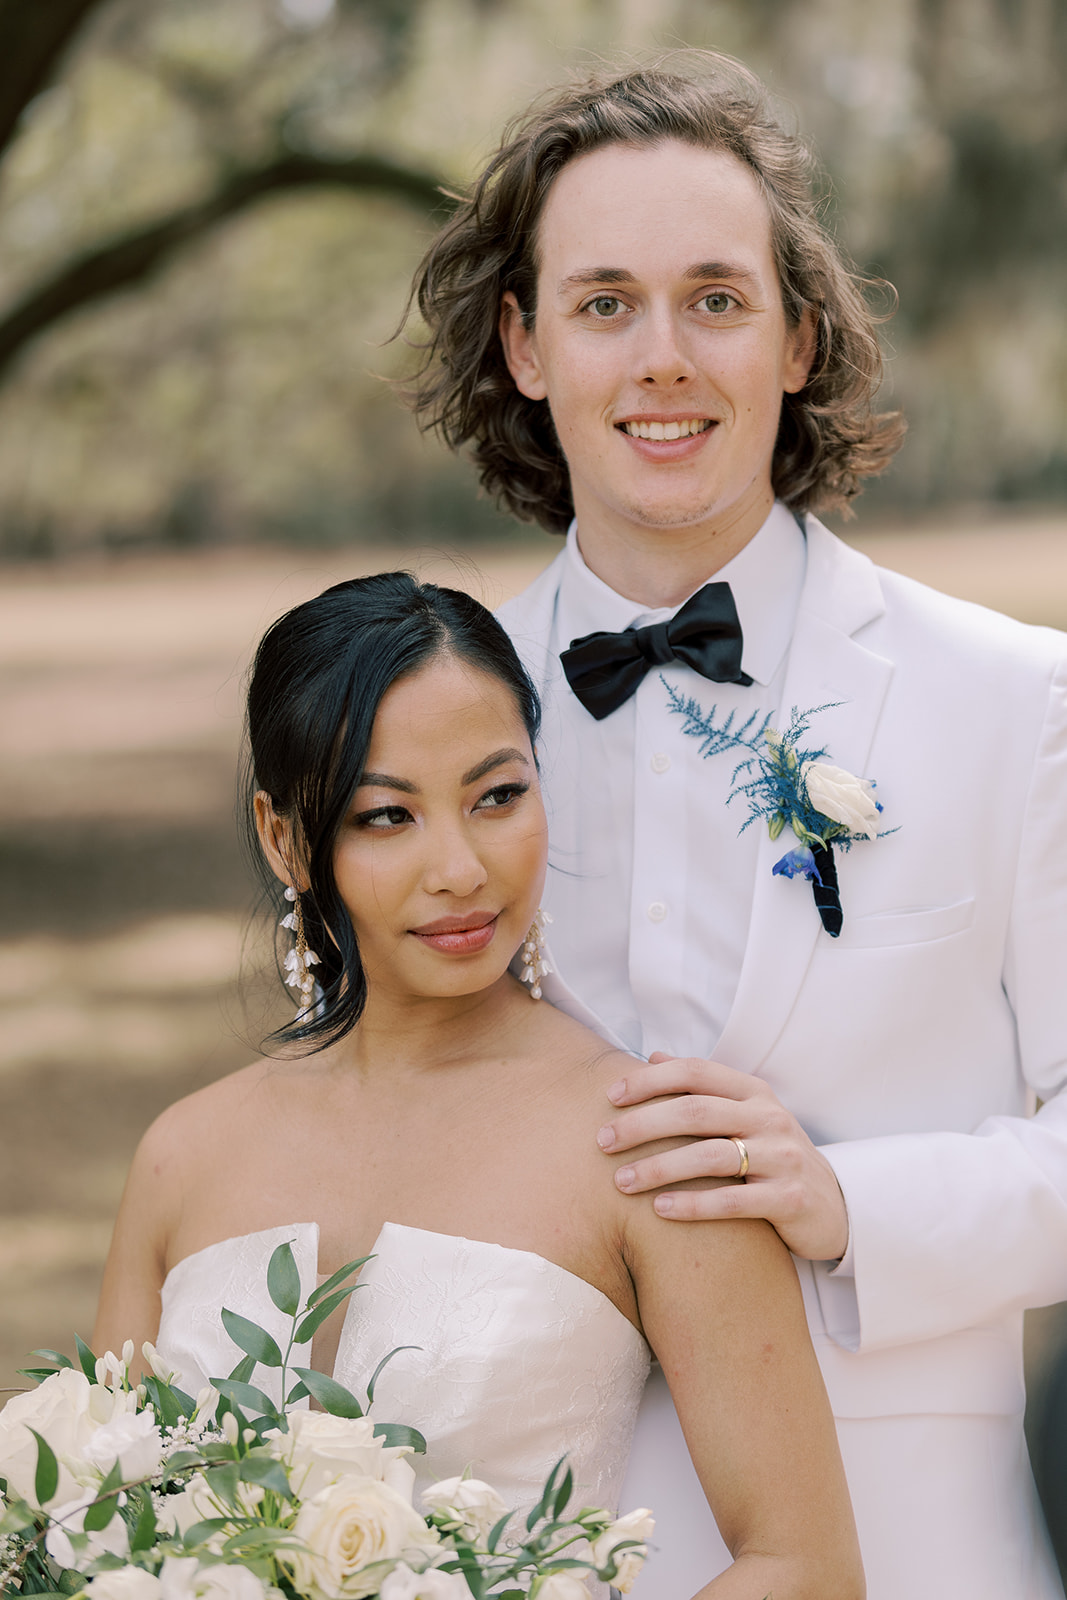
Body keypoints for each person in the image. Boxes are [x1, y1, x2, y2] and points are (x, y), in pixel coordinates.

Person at [403, 50, 1067, 1600]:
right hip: (517, 1552)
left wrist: (849, 1203)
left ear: (796, 339)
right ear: (520, 343)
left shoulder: (1017, 703)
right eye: (601, 302)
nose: (661, 360)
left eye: (713, 299)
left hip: (919, 1554)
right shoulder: (421, 725)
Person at [92, 573, 864, 1600]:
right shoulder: (180, 1156)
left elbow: (803, 1566)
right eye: (385, 816)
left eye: (496, 795)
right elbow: (100, 1526)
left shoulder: (649, 1142)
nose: (458, 867)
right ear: (285, 839)